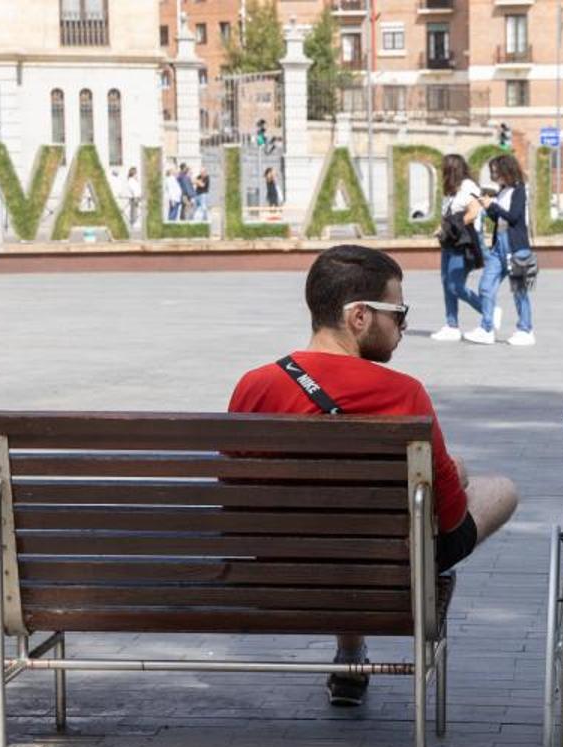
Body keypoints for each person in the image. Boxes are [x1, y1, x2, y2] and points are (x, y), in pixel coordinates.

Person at [228, 245, 519, 705]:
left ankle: (350, 654)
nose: (402, 326)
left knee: (342, 520)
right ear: (359, 316)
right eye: (398, 312)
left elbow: (236, 500)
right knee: (500, 489)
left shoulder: (253, 386)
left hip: (278, 574)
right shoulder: (403, 394)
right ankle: (353, 648)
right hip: (380, 570)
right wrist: (453, 475)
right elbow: (450, 518)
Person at [432, 154, 492, 342]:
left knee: (455, 285)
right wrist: (443, 228)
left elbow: (473, 212)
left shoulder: (468, 186)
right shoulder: (451, 189)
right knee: (446, 283)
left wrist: (451, 227)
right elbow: (449, 214)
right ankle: (452, 325)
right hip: (450, 241)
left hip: (463, 242)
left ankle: (487, 311)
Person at [478, 154, 535, 346]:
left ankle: (526, 330)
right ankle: (486, 328)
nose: (494, 175)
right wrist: (488, 208)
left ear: (506, 170)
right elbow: (499, 219)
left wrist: (493, 205)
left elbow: (513, 217)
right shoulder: (502, 190)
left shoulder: (519, 190)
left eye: (496, 171)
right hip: (498, 245)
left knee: (519, 290)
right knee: (486, 285)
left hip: (516, 246)